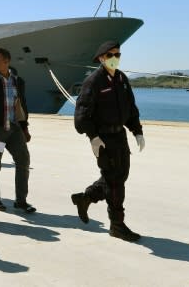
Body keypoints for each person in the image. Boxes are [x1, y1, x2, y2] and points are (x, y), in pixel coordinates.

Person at [71, 40, 145, 242]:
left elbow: (131, 108)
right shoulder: (93, 82)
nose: (115, 59)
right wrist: (93, 137)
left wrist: (137, 131)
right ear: (101, 58)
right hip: (103, 139)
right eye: (110, 55)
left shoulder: (121, 79)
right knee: (114, 183)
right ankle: (117, 225)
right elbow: (81, 117)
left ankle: (86, 198)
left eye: (118, 54)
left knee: (119, 176)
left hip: (119, 136)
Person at [0, 47, 36, 214]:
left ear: (6, 61)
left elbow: (22, 105)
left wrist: (25, 127)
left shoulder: (18, 81)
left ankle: (21, 201)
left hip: (14, 129)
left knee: (23, 161)